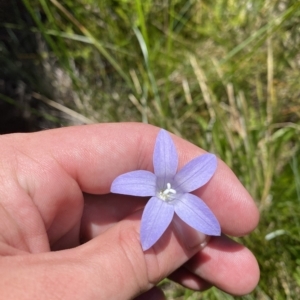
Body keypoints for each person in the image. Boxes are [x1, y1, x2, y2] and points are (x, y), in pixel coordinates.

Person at [0, 123, 259, 299]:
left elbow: (206, 166)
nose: (167, 193)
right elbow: (124, 182)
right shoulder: (151, 182)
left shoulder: (185, 187)